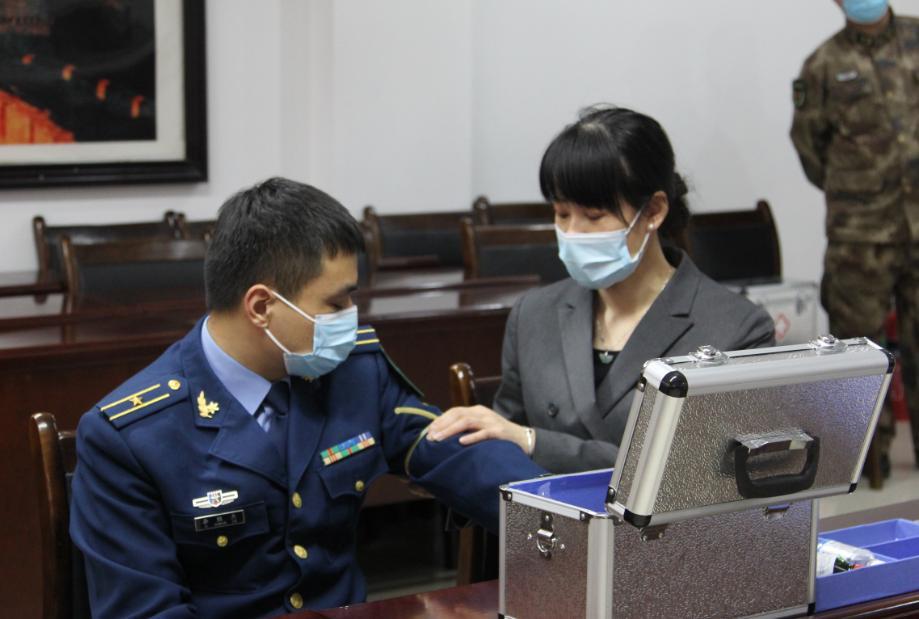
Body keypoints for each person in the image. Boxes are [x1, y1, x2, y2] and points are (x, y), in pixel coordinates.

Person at [69, 178, 545, 618]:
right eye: (336, 303)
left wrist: (556, 516)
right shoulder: (132, 435)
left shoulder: (353, 373)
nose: (352, 317)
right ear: (261, 306)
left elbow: (450, 450)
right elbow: (147, 611)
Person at [429, 106, 776, 473]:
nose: (573, 233)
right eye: (562, 214)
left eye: (594, 216)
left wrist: (535, 443)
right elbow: (504, 450)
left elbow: (697, 473)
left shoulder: (736, 329)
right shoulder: (534, 314)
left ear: (654, 211)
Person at [790, 0, 919, 472]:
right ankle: (868, 463)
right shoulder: (823, 64)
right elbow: (810, 145)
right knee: (861, 354)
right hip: (860, 234)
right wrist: (858, 190)